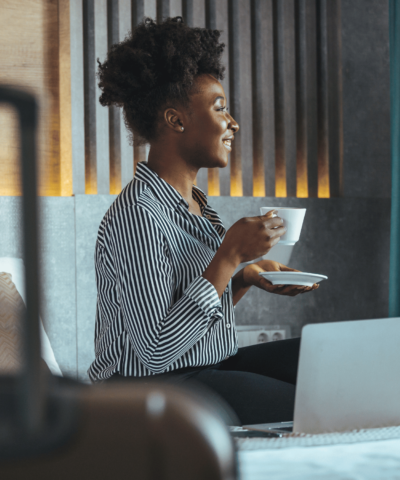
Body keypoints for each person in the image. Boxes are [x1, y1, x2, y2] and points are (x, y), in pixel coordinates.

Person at [87, 17, 318, 425]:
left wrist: (243, 278)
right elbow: (155, 350)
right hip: (145, 388)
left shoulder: (195, 204)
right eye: (220, 107)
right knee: (317, 404)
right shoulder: (139, 215)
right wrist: (229, 256)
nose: (233, 123)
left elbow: (189, 317)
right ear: (176, 120)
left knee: (322, 361)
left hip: (199, 367)